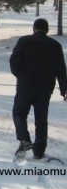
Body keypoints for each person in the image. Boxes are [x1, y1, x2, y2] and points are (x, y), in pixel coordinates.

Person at [10, 18, 67, 159]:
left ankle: (24, 140)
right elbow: (61, 69)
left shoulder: (24, 41)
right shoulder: (55, 46)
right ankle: (39, 150)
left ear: (33, 28)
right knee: (41, 119)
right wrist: (64, 89)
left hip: (25, 85)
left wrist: (19, 74)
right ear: (47, 30)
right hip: (45, 88)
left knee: (19, 113)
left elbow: (14, 60)